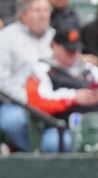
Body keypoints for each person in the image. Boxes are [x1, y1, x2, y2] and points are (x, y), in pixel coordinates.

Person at [26, 25, 98, 152]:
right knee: (57, 142)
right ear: (55, 45)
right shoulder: (42, 69)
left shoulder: (90, 70)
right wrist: (73, 97)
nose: (74, 54)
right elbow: (36, 102)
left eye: (76, 50)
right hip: (61, 129)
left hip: (93, 128)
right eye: (68, 51)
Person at [0, 0, 54, 152]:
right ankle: (31, 156)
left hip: (52, 101)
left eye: (46, 10)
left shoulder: (55, 37)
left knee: (61, 136)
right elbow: (2, 80)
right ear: (23, 15)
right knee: (15, 121)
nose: (43, 15)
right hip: (16, 103)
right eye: (37, 10)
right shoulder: (6, 37)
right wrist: (28, 99)